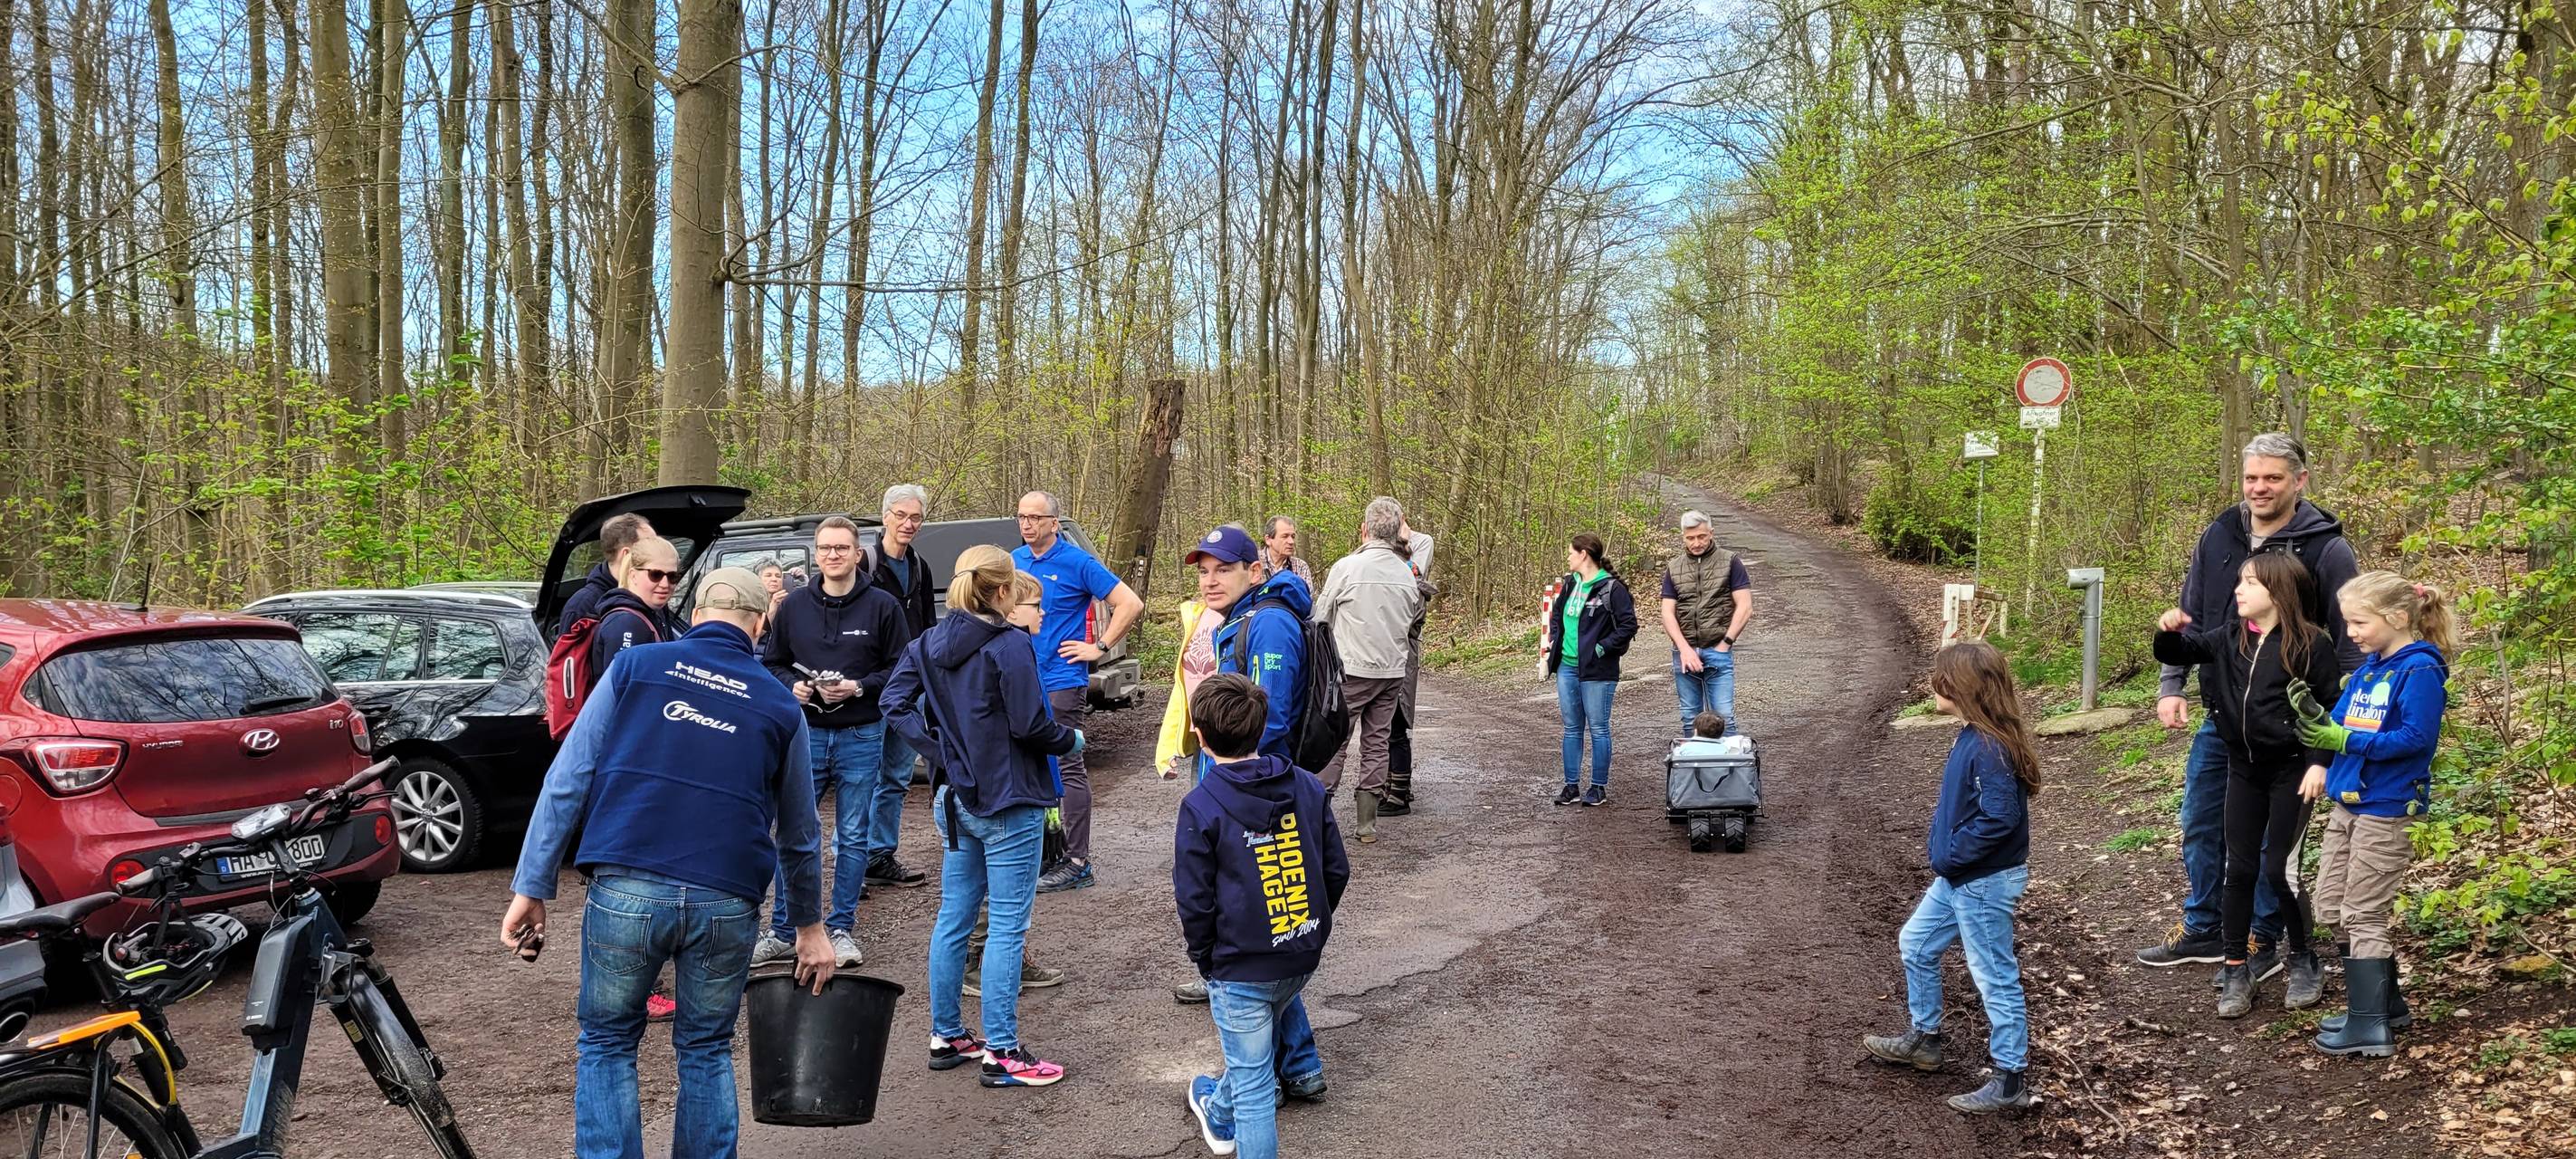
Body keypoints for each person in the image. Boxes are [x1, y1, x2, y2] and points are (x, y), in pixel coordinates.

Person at [501, 568, 836, 1159]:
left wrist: (532, 886)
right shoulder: (781, 706)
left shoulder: (635, 669)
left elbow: (568, 779)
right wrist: (809, 928)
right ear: (760, 625)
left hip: (626, 885)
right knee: (706, 1048)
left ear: (695, 614)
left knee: (607, 1043)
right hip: (727, 898)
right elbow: (801, 834)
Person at [2140, 433, 2361, 977]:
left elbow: (2350, 644)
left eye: (2273, 478)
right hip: (2224, 714)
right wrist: (2172, 685)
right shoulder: (2220, 534)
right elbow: (2191, 613)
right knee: (2199, 819)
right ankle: (2205, 927)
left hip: (2290, 732)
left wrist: (2337, 736)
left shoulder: (2324, 548)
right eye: (2251, 478)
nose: (2260, 488)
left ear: (2299, 481)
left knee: (2270, 843)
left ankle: (2262, 938)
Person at [882, 550, 1085, 1088]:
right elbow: (1030, 724)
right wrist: (1071, 740)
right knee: (1007, 928)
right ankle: (1003, 1051)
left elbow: (893, 703)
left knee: (954, 920)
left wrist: (939, 752)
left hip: (954, 798)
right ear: (1002, 593)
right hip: (1007, 800)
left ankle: (946, 1035)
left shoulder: (926, 642)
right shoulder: (1009, 644)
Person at [2152, 551, 2343, 1019]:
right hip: (2245, 769)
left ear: (2278, 592)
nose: (2238, 590)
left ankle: (2303, 959)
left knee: (2278, 869)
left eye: (2250, 583)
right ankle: (2237, 968)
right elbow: (2181, 651)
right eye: (2239, 581)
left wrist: (2320, 763)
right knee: (2238, 870)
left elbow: (2329, 709)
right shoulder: (2230, 638)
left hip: (2293, 773)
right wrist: (2167, 631)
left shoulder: (2310, 645)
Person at [1861, 640, 2041, 1115]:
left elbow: (1999, 817)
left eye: (1939, 676)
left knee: (1993, 976)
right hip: (1961, 877)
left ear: (1961, 686)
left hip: (1981, 879)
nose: (1931, 683)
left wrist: (1953, 854)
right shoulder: (1973, 736)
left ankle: (2010, 1079)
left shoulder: (1989, 746)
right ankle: (1925, 1039)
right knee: (1916, 943)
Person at [1178, 674, 1351, 1159]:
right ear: (1262, 726)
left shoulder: (1201, 805)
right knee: (1250, 1059)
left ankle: (1224, 1110)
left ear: (1199, 732)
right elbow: (1335, 869)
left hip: (1239, 966)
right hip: (1298, 956)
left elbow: (1194, 899)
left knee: (1255, 1090)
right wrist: (1312, 925)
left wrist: (1205, 958)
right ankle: (1216, 1109)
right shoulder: (1307, 787)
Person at [2300, 573, 2453, 1058]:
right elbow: (2338, 723)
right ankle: (2384, 1007)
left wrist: (2345, 741)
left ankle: (2369, 1027)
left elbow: (2415, 741)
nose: (2351, 632)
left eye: (2359, 622)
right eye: (2348, 622)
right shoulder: (2369, 671)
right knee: (2330, 906)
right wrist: (2318, 726)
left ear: (2398, 618)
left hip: (2387, 808)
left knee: (2363, 913)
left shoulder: (2420, 671)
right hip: (2349, 802)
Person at [752, 516, 913, 971]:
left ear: (858, 554)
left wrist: (859, 687)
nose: (833, 555)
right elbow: (774, 662)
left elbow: (902, 668)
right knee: (794, 832)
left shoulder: (882, 606)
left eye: (842, 548)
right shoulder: (794, 607)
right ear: (815, 554)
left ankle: (841, 928)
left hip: (861, 732)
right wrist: (792, 687)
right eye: (825, 548)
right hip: (804, 732)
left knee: (854, 835)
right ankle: (785, 931)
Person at [1014, 491, 1145, 893]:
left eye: (1036, 517)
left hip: (1061, 681)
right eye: (1022, 517)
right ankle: (1044, 852)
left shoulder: (1076, 561)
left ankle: (1077, 861)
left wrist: (1099, 647)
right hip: (1021, 680)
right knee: (1029, 764)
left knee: (1067, 765)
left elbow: (1130, 603)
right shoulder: (1013, 562)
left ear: (1055, 522)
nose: (1027, 524)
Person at [1311, 497, 1426, 844]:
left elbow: (1321, 618)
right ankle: (1366, 825)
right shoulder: (1406, 576)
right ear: (1395, 535)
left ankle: (1318, 812)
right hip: (1391, 671)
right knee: (1377, 743)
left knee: (1335, 741)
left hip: (1352, 670)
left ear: (1364, 530)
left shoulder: (1347, 568)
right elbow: (1411, 620)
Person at [863, 485, 939, 894]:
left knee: (895, 776)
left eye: (916, 518)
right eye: (901, 515)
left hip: (911, 685)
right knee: (862, 777)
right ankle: (851, 863)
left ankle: (880, 856)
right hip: (872, 685)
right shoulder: (865, 562)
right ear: (885, 516)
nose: (908, 524)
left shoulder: (921, 567)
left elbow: (927, 627)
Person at [1543, 532, 1636, 807]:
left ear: (1584, 554)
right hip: (1567, 668)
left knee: (1598, 728)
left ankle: (1598, 787)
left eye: (1571, 552)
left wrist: (1601, 648)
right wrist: (1556, 644)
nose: (1568, 557)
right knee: (1572, 728)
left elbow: (1628, 626)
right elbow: (1557, 617)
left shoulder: (1611, 588)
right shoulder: (1571, 583)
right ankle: (1571, 786)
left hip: (1598, 670)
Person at [1658, 511, 1753, 735]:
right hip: (1684, 652)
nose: (1696, 543)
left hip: (1717, 649)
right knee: (1690, 717)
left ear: (1711, 533)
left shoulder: (1730, 562)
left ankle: (1729, 770)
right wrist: (1683, 649)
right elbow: (1667, 613)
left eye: (1701, 536)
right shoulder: (1674, 567)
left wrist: (1725, 644)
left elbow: (1745, 606)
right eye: (1690, 538)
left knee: (1725, 718)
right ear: (1683, 537)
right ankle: (1696, 770)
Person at [1379, 517, 1436, 817]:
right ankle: (1390, 786)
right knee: (1385, 723)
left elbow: (1414, 583)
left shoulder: (1421, 543)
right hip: (1385, 649)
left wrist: (1405, 539)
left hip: (1403, 648)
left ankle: (1399, 791)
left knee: (1398, 720)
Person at [587, 535, 682, 693]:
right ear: (633, 575)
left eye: (672, 576)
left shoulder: (652, 614)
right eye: (655, 575)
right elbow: (621, 692)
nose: (665, 584)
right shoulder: (626, 623)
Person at [559, 512, 656, 633]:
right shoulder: (582, 607)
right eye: (651, 547)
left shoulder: (652, 596)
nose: (657, 552)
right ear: (626, 554)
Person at [1262, 516, 1314, 588]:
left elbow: (1306, 597)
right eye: (1285, 536)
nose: (1291, 542)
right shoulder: (1253, 563)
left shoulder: (1300, 567)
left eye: (1293, 536)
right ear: (1268, 540)